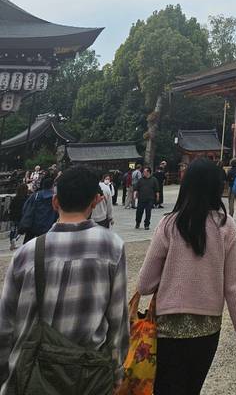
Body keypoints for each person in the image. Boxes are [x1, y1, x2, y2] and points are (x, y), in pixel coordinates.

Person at [0, 165, 129, 394]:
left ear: (55, 202)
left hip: (32, 374)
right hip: (89, 376)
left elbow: (6, 325)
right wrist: (116, 370)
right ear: (96, 201)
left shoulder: (26, 254)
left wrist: (5, 376)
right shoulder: (112, 248)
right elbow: (117, 322)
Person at [136, 158, 236, 395]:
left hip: (168, 325)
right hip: (207, 326)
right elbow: (233, 289)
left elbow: (144, 284)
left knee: (166, 387)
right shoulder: (226, 226)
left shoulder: (169, 224)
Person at [18, 173, 58, 244]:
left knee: (29, 249)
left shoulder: (35, 196)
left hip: (33, 228)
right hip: (49, 228)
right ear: (52, 186)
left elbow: (25, 208)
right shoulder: (55, 198)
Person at [135, 166, 160, 230]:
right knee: (139, 212)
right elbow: (136, 188)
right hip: (141, 199)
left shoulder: (154, 179)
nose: (143, 173)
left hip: (150, 199)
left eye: (145, 172)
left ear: (148, 172)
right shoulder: (141, 180)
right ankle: (138, 222)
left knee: (148, 212)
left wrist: (157, 196)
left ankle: (146, 224)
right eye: (143, 172)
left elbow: (157, 189)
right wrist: (135, 194)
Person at [7, 183, 29, 252]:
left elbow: (10, 207)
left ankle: (12, 243)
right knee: (20, 230)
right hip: (20, 216)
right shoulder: (25, 198)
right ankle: (15, 239)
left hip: (12, 217)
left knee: (12, 230)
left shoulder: (15, 198)